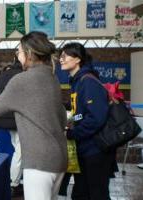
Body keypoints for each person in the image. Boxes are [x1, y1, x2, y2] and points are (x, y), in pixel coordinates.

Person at [0, 31, 67, 200]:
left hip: (39, 161)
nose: (17, 55)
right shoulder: (52, 78)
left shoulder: (23, 80)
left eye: (19, 51)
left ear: (29, 54)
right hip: (59, 158)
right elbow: (62, 119)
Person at [60, 42, 115, 200]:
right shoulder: (77, 81)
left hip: (96, 150)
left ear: (77, 59)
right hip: (85, 148)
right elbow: (82, 113)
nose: (61, 59)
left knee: (97, 194)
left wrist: (72, 133)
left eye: (65, 56)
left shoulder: (88, 81)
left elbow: (96, 118)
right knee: (81, 193)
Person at [0, 58, 23, 196]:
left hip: (3, 118)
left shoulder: (3, 75)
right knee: (20, 152)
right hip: (16, 118)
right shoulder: (22, 75)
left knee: (17, 148)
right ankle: (13, 184)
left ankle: (15, 181)